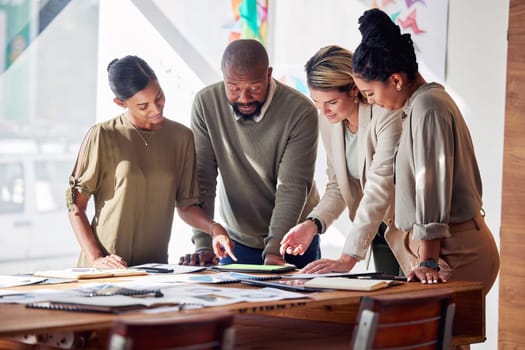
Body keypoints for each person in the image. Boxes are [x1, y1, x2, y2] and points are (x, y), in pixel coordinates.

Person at [351, 8, 499, 294]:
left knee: (435, 337)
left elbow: (430, 188)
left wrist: (429, 261)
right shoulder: (418, 105)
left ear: (395, 80)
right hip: (439, 251)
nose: (372, 102)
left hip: (454, 254)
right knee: (442, 340)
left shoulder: (428, 107)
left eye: (370, 94)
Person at [67, 55, 235, 269]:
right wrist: (96, 258)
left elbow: (186, 205)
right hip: (106, 269)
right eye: (143, 105)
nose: (156, 109)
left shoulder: (181, 137)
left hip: (153, 270)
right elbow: (75, 205)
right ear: (120, 103)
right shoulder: (103, 135)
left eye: (159, 97)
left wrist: (215, 228)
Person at [180, 39, 320, 268]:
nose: (244, 98)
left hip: (293, 238)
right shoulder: (206, 103)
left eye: (254, 88)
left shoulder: (300, 111)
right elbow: (202, 177)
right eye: (234, 88)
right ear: (223, 77)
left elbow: (292, 186)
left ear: (269, 74)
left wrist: (275, 250)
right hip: (237, 239)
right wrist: (204, 244)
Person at [279, 45, 403, 275]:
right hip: (377, 230)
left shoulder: (385, 115)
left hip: (409, 231)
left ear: (354, 89)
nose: (323, 111)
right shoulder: (329, 122)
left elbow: (379, 187)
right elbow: (338, 185)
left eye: (331, 102)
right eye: (316, 102)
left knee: (417, 305)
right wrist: (312, 224)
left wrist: (348, 257)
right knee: (389, 306)